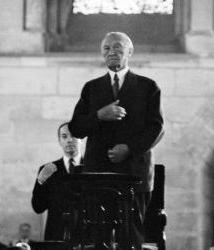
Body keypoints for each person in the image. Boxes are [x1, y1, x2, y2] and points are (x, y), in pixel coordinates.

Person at [69, 31, 164, 250]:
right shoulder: (91, 88)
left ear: (129, 52)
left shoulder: (148, 86)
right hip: (97, 174)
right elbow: (76, 127)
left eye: (118, 47)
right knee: (98, 235)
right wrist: (99, 116)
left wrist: (129, 149)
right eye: (106, 49)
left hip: (134, 173)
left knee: (131, 236)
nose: (112, 52)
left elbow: (156, 128)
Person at [31, 122, 83, 240]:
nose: (69, 140)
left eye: (74, 135)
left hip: (85, 237)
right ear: (59, 140)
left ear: (81, 139)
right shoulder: (48, 170)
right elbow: (38, 207)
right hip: (56, 236)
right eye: (64, 136)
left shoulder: (91, 169)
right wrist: (40, 181)